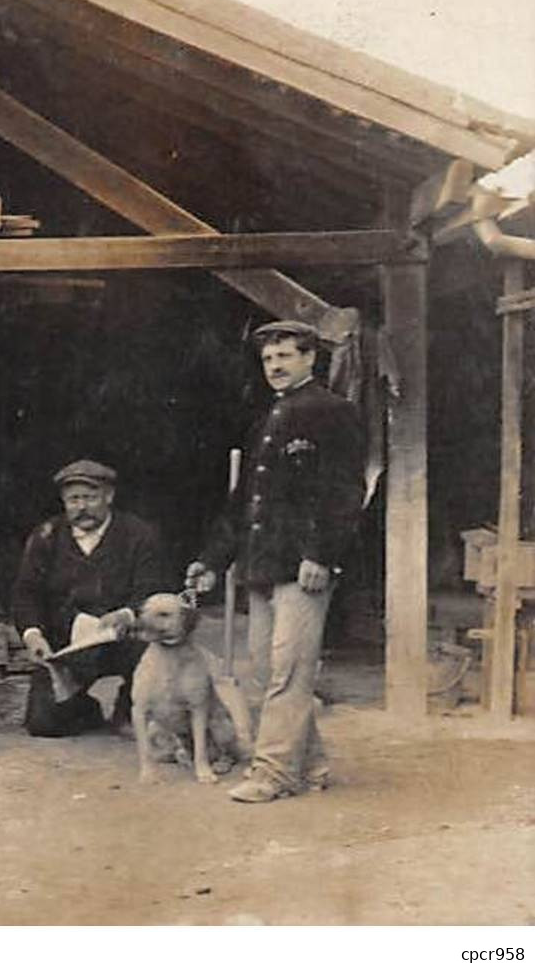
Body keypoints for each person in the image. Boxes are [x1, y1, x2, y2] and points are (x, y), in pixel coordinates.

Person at [187, 320, 364, 803]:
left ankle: (273, 774)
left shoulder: (335, 412)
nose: (275, 367)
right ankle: (311, 765)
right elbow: (243, 501)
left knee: (288, 672)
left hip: (303, 566)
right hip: (261, 564)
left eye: (286, 356)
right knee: (267, 671)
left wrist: (321, 554)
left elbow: (345, 492)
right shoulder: (266, 418)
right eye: (268, 359)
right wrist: (211, 559)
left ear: (311, 359)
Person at [12, 459, 168, 737]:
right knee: (43, 723)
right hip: (66, 645)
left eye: (90, 498)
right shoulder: (46, 536)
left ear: (109, 496)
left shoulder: (139, 534)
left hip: (122, 638)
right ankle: (85, 708)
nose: (81, 507)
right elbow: (26, 593)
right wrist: (33, 635)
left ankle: (127, 706)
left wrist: (127, 614)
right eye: (73, 500)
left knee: (149, 648)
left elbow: (151, 589)